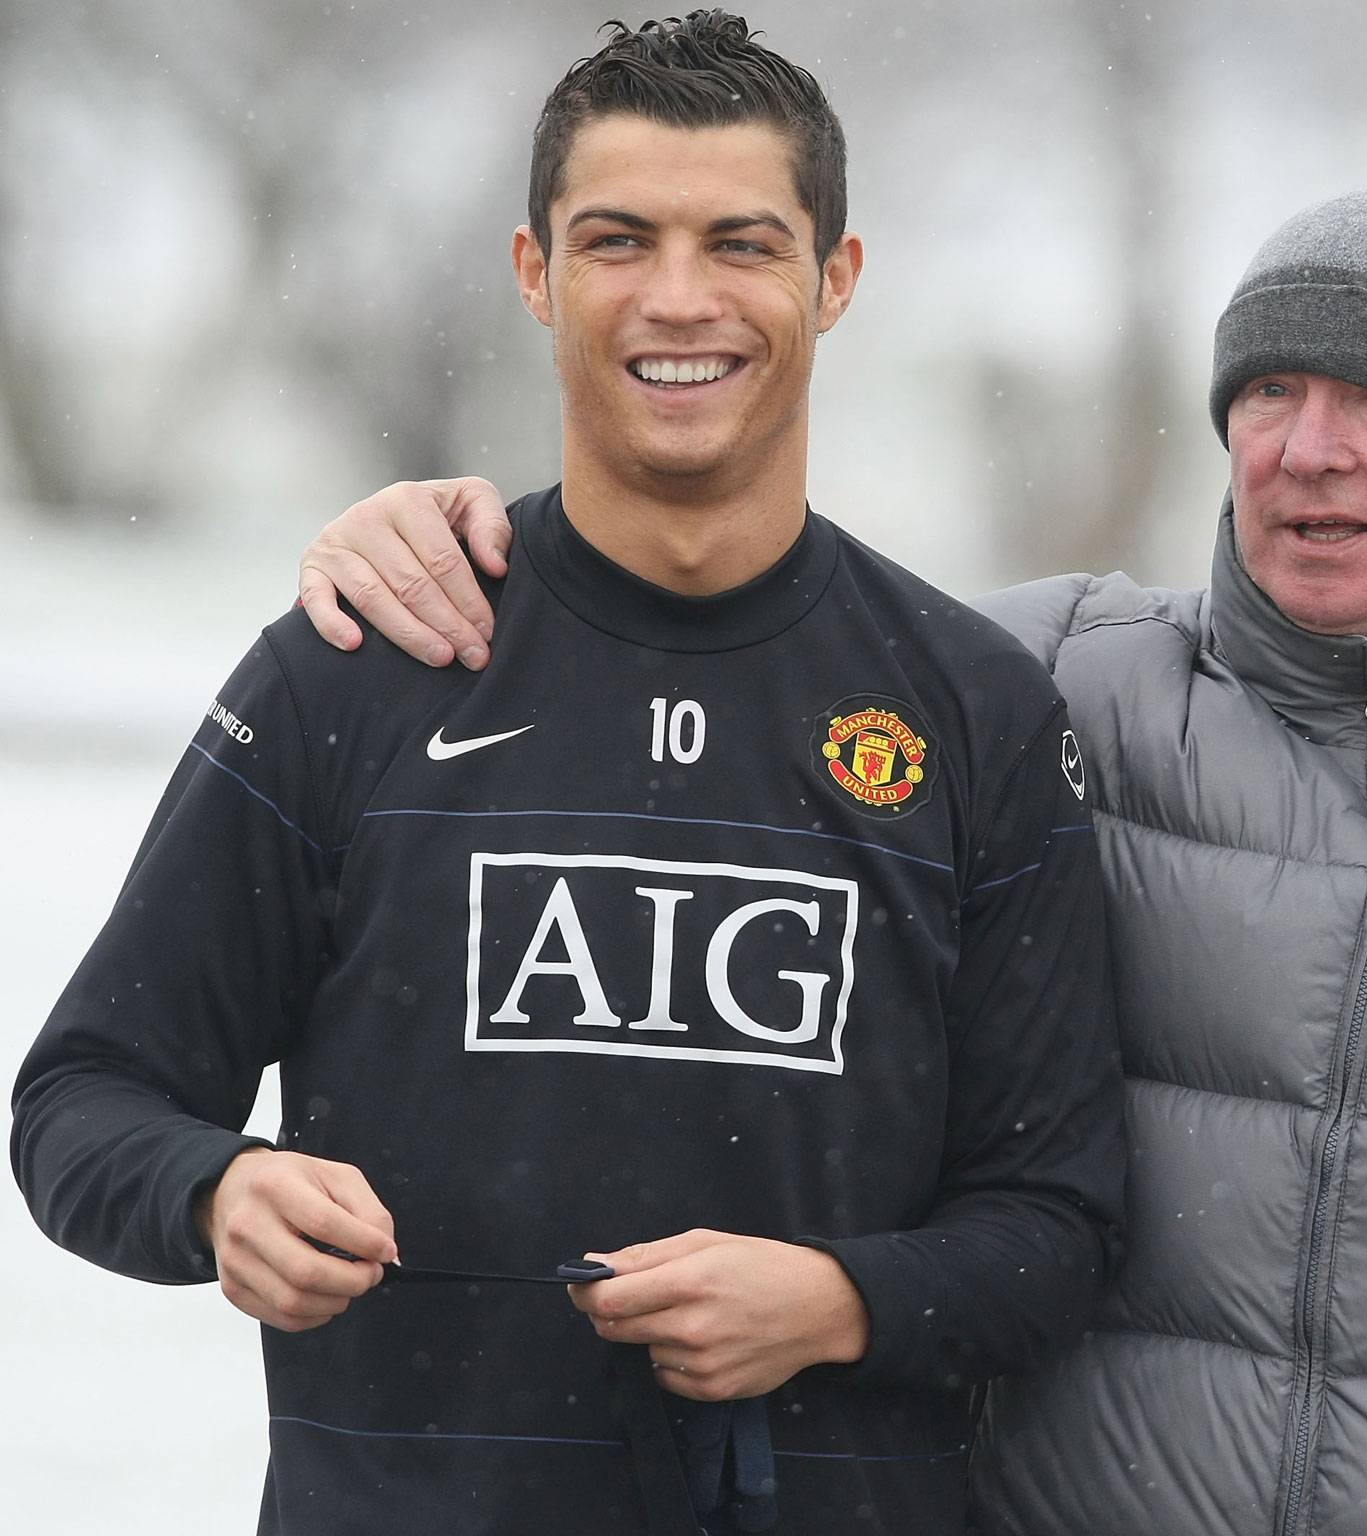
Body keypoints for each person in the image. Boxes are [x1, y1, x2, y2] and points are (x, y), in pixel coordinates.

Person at [294, 190, 1367, 1535]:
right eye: (1268, 390)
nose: (1306, 449)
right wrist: (461, 545)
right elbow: (698, 658)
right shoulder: (1024, 693)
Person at [10, 15, 1124, 1536]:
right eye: (618, 240)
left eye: (742, 241)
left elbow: (1062, 1227)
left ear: (835, 279)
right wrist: (216, 1195)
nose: (680, 298)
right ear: (535, 273)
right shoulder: (358, 661)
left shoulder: (974, 711)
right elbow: (82, 1102)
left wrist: (839, 1300)